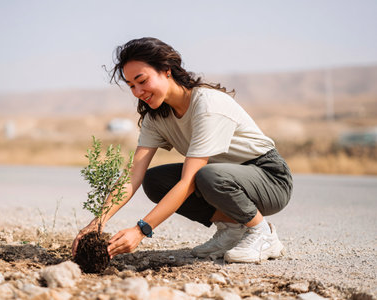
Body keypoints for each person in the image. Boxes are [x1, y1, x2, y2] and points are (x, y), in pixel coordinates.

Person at [72, 37, 292, 263]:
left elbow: (188, 182)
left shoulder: (206, 104)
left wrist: (141, 230)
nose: (138, 91)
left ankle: (263, 233)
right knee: (155, 180)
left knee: (205, 175)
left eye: (142, 80)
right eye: (131, 86)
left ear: (166, 71)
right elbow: (132, 175)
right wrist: (98, 222)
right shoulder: (156, 117)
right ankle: (232, 228)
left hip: (269, 178)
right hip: (225, 177)